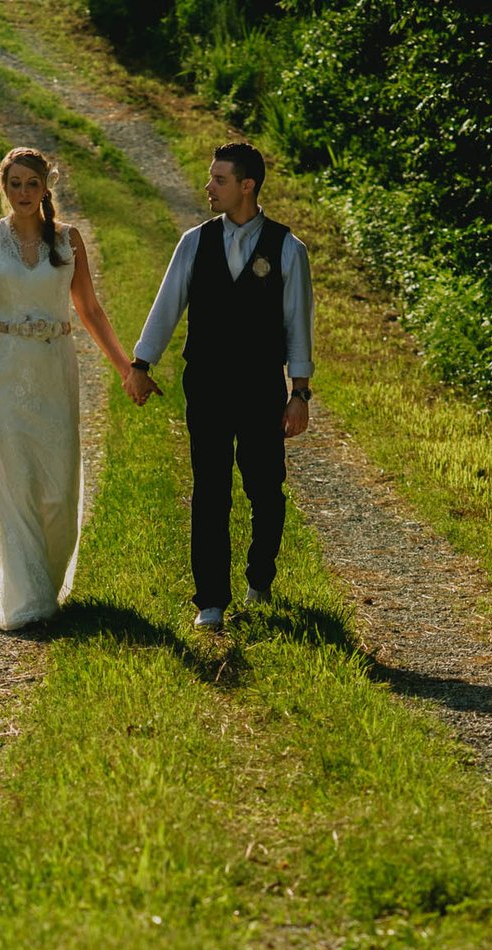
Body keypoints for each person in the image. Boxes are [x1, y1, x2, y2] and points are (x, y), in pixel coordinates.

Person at [0, 145, 142, 630]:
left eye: (31, 183)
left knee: (57, 484)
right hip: (5, 370)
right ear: (3, 189)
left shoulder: (68, 241)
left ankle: (48, 579)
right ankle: (28, 600)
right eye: (14, 184)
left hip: (54, 367)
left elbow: (90, 310)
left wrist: (124, 367)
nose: (23, 193)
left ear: (46, 187)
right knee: (16, 478)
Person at [127, 141, 315, 629]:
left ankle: (259, 579)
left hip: (259, 388)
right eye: (210, 179)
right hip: (206, 384)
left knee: (265, 488)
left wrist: (299, 393)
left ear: (246, 185)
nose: (208, 187)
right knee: (210, 488)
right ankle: (210, 600)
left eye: (219, 179)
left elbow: (298, 324)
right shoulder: (194, 242)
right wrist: (141, 363)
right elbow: (167, 305)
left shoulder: (288, 249)